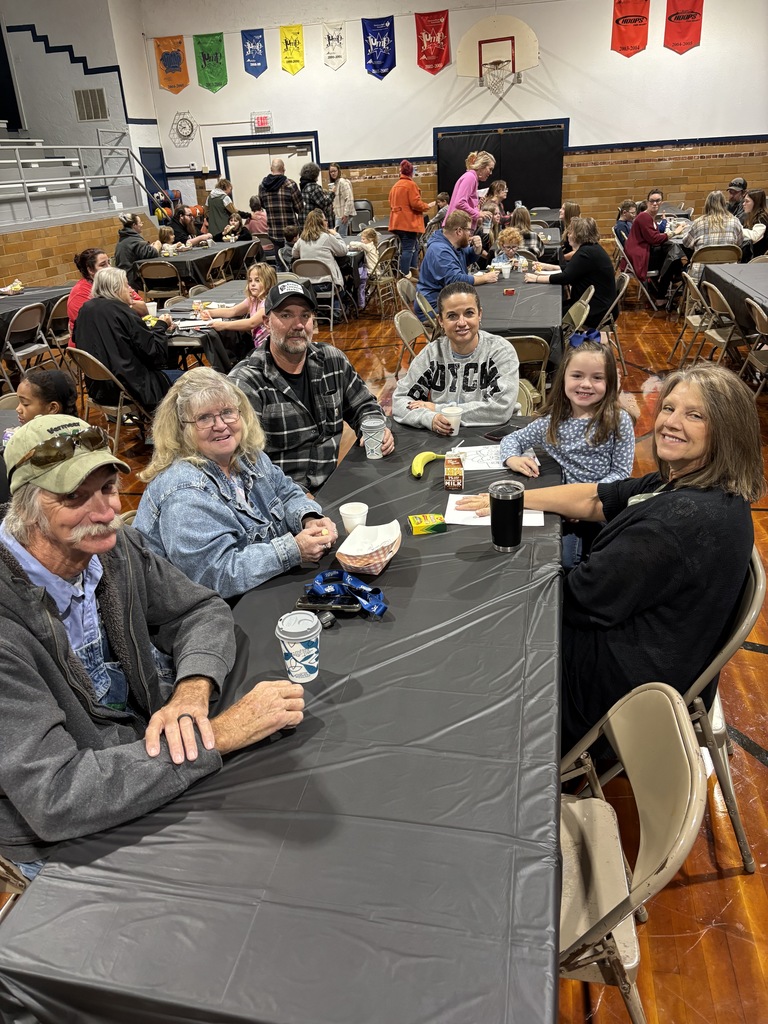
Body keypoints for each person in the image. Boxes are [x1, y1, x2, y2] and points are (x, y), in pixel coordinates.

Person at [0, 413, 306, 876]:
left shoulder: (114, 548)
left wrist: (191, 691)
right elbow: (56, 796)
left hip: (142, 756)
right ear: (25, 509)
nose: (105, 512)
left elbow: (200, 610)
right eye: (74, 498)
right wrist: (217, 736)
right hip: (56, 834)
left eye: (106, 488)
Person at [457, 363, 765, 753]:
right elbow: (595, 498)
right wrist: (510, 499)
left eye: (695, 415)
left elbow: (577, 599)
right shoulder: (688, 484)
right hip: (656, 655)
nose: (671, 422)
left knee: (486, 635)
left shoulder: (675, 524)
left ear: (726, 430)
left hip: (610, 694)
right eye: (668, 408)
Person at [135, 369, 338, 599]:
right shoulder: (184, 493)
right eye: (204, 418)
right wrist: (294, 550)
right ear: (182, 429)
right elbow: (214, 575)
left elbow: (286, 491)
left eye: (227, 412)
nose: (221, 425)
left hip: (259, 591)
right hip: (212, 613)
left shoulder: (246, 454)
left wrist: (308, 520)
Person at [229, 281, 394, 491]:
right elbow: (243, 465)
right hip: (280, 503)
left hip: (332, 486)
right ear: (267, 322)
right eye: (286, 315)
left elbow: (364, 405)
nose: (298, 325)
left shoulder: (332, 360)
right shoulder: (245, 383)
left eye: (305, 315)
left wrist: (375, 428)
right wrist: (298, 502)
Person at [498, 338, 634, 566]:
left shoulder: (618, 420)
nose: (586, 384)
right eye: (577, 375)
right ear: (563, 379)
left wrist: (582, 498)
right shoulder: (551, 422)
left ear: (609, 382)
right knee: (553, 558)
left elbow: (621, 473)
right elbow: (513, 438)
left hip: (600, 506)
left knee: (598, 561)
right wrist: (512, 458)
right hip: (563, 511)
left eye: (597, 377)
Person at [393, 282, 519, 433]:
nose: (461, 323)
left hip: (494, 433)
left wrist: (438, 409)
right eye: (452, 316)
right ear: (441, 320)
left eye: (469, 313)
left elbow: (501, 409)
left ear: (479, 315)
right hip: (445, 434)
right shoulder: (432, 354)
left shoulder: (501, 351)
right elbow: (400, 400)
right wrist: (429, 418)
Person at [73, 267, 177, 412]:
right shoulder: (122, 312)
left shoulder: (85, 310)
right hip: (131, 389)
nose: (130, 290)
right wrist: (161, 326)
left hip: (98, 389)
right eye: (126, 285)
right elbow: (156, 356)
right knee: (190, 380)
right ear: (115, 289)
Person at [524, 216, 617, 329]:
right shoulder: (591, 249)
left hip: (595, 310)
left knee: (548, 312)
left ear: (579, 235)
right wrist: (546, 266)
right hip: (598, 304)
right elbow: (571, 269)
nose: (568, 235)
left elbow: (566, 277)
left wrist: (536, 278)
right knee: (552, 307)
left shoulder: (585, 253)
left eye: (571, 232)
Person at [416, 210, 499, 314]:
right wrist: (484, 278)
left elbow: (466, 256)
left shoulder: (453, 243)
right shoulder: (439, 250)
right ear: (459, 231)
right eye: (469, 230)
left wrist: (476, 250)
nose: (470, 234)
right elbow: (455, 280)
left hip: (447, 298)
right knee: (484, 312)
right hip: (434, 306)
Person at [67, 247, 147, 333]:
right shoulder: (80, 293)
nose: (109, 267)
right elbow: (100, 325)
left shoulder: (116, 282)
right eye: (103, 265)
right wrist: (125, 302)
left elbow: (144, 309)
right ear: (90, 270)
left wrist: (125, 303)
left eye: (109, 263)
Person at [199, 263, 277, 349]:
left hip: (268, 348)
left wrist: (223, 325)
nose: (252, 284)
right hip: (258, 346)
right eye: (250, 280)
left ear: (268, 282)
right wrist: (210, 312)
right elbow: (232, 311)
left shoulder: (268, 303)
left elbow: (251, 323)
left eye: (257, 280)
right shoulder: (252, 300)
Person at [624, 188, 681, 304]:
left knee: (672, 254)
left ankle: (661, 287)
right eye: (652, 201)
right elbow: (654, 239)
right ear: (647, 202)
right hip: (640, 257)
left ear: (662, 203)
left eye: (657, 201)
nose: (654, 204)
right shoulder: (644, 217)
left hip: (642, 252)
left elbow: (654, 234)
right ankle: (662, 294)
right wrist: (674, 232)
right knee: (673, 258)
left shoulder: (649, 216)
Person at [681, 191, 744, 281]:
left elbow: (686, 243)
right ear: (724, 204)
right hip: (729, 277)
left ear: (707, 204)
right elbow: (739, 243)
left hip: (700, 278)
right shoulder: (735, 221)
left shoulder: (698, 222)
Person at [388, 160, 435, 278]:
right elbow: (415, 204)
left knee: (414, 246)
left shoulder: (395, 186)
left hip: (397, 222)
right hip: (408, 224)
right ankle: (406, 274)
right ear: (411, 172)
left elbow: (390, 202)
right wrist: (427, 206)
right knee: (408, 248)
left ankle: (413, 271)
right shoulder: (411, 185)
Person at [292, 209, 348, 288]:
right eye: (325, 220)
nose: (327, 222)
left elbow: (294, 254)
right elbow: (343, 251)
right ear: (320, 223)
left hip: (306, 284)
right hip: (327, 283)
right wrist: (336, 234)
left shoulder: (301, 239)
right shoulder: (326, 237)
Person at [446, 151, 496, 230]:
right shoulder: (470, 177)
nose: (491, 173)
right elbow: (460, 203)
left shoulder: (472, 178)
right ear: (481, 165)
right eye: (490, 169)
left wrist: (477, 208)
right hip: (457, 228)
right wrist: (478, 214)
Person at [259, 158, 304, 247]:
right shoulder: (290, 184)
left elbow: (262, 205)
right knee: (294, 258)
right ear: (283, 169)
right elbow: (300, 208)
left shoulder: (262, 186)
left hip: (274, 232)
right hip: (291, 234)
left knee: (278, 258)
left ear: (271, 169)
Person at [114, 213, 162, 291]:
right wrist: (157, 245)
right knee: (165, 280)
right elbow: (153, 253)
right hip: (132, 280)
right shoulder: (134, 239)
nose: (142, 225)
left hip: (123, 277)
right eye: (140, 223)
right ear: (134, 225)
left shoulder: (124, 238)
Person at [327, 162, 355, 237]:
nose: (333, 173)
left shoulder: (342, 182)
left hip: (342, 215)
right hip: (338, 214)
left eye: (334, 171)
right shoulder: (335, 183)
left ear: (338, 171)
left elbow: (349, 198)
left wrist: (346, 214)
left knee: (340, 237)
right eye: (331, 172)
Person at [740, 189, 768, 261]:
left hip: (757, 257)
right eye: (744, 201)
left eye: (747, 201)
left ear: (756, 203)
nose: (743, 204)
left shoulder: (762, 217)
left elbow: (755, 236)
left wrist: (738, 229)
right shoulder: (748, 216)